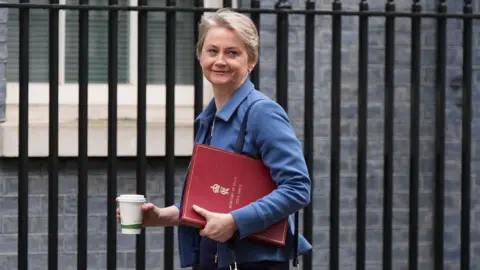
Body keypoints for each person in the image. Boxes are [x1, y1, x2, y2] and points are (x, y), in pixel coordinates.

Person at [117, 8, 312, 270]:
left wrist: (235, 221)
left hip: (252, 262)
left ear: (250, 61)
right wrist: (160, 216)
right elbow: (210, 199)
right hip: (213, 257)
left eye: (232, 52)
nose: (220, 60)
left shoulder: (262, 112)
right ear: (200, 57)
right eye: (212, 51)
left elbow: (297, 187)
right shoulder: (209, 119)